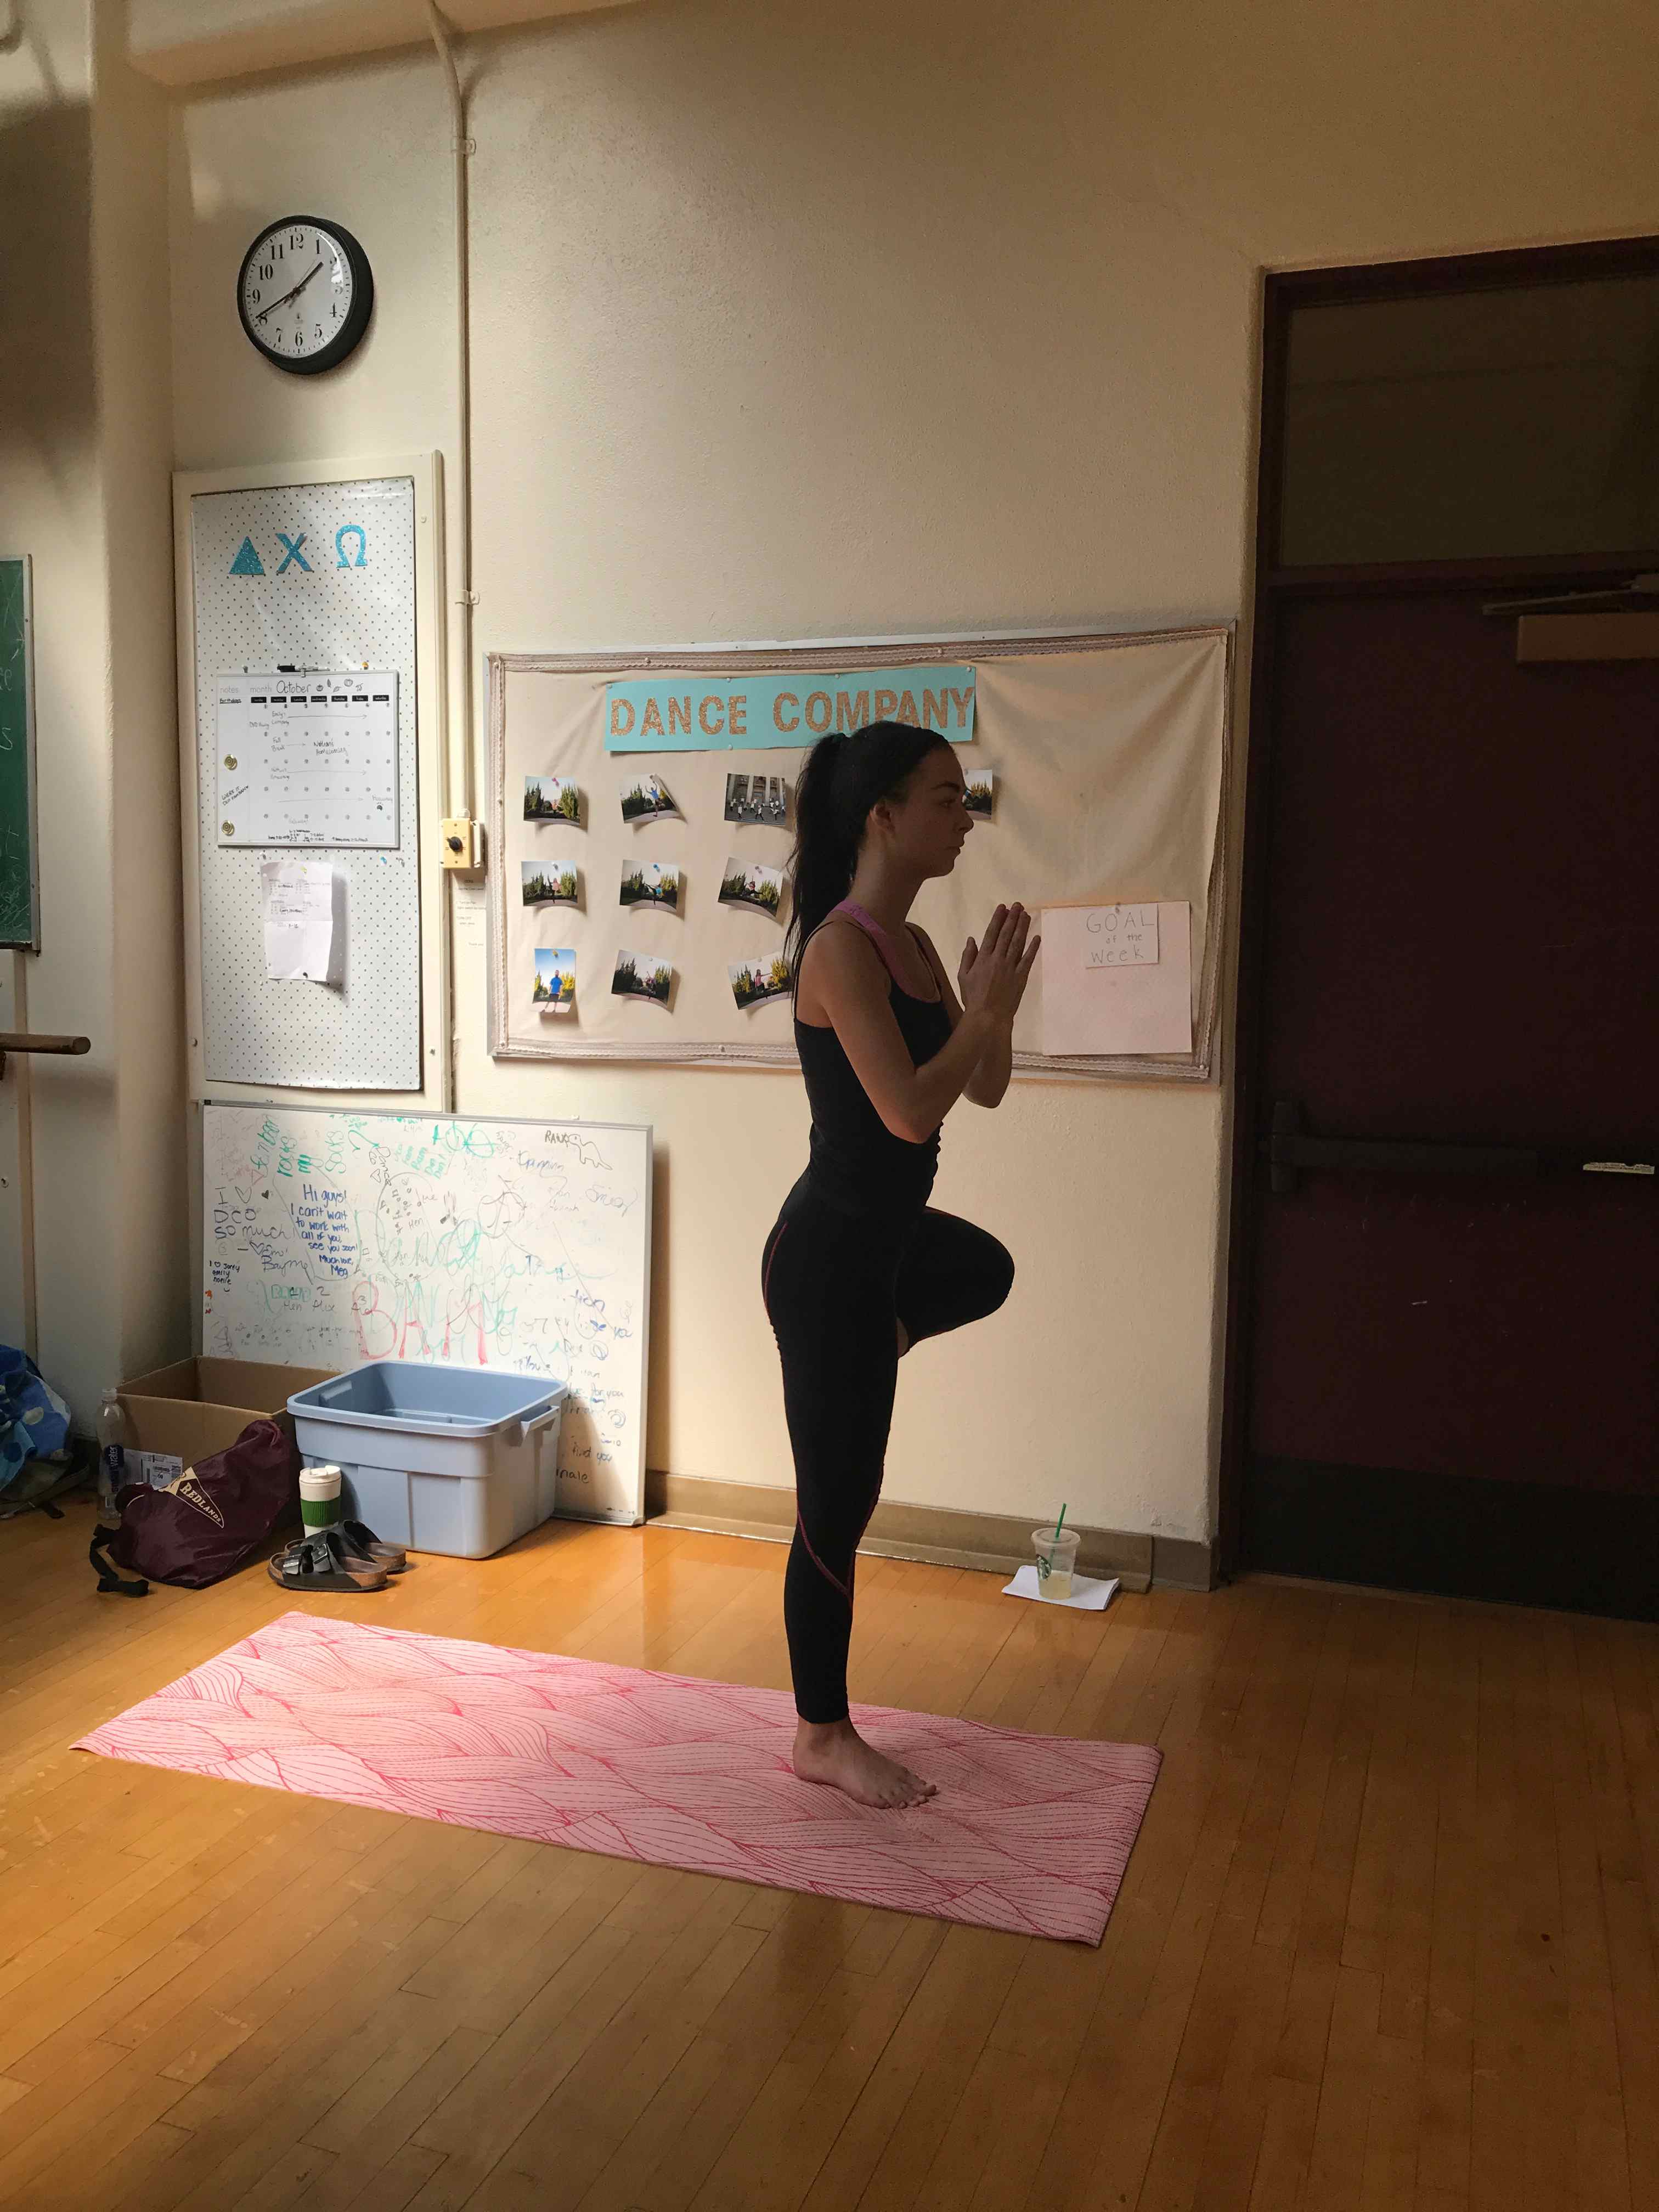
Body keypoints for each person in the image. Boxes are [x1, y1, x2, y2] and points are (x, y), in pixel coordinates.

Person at [761, 719, 1039, 1809]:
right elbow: (910, 1112)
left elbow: (984, 1087)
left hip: (883, 1248)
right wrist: (981, 1021)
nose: (963, 817)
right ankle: (820, 1735)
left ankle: (880, 1333)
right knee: (842, 1497)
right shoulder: (838, 950)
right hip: (828, 1253)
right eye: (944, 798)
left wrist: (987, 1020)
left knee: (985, 1268)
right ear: (882, 818)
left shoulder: (916, 948)